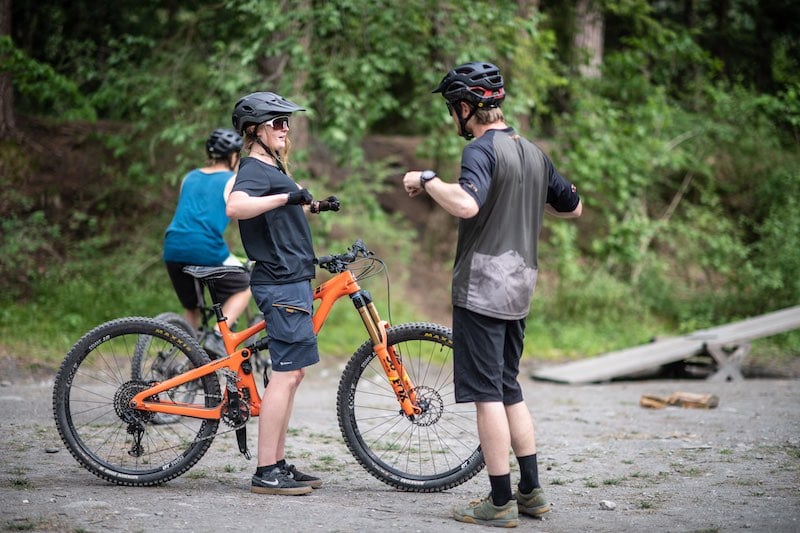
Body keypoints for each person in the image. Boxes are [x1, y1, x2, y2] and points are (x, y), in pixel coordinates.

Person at [402, 62, 582, 528]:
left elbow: (466, 203)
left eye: (452, 110)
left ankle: (500, 502)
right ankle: (531, 492)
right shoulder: (533, 153)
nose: (452, 118)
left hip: (483, 287)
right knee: (508, 387)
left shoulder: (481, 152)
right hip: (521, 285)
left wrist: (426, 180)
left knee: (487, 395)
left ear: (466, 107)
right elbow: (574, 206)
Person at [226, 91, 340, 496]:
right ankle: (265, 471)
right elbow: (237, 206)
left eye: (286, 121)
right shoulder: (254, 167)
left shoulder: (272, 165)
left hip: (292, 278)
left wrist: (315, 205)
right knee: (287, 373)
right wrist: (287, 194)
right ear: (254, 129)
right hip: (279, 281)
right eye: (277, 122)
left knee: (293, 373)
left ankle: (277, 462)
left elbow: (283, 209)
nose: (285, 128)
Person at [163, 128, 252, 358]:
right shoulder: (233, 180)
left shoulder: (189, 177)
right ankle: (216, 336)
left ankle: (186, 360)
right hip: (205, 248)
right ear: (233, 157)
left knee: (191, 308)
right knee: (245, 286)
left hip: (172, 247)